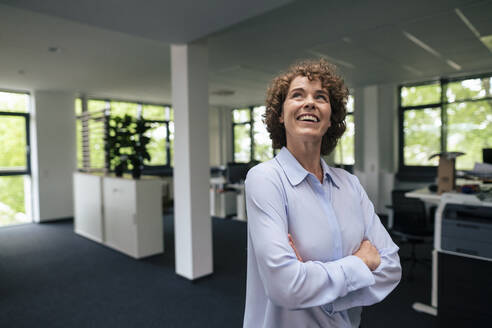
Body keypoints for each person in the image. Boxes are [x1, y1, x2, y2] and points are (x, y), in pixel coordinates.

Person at [243, 59, 401, 328]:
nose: (309, 102)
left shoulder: (349, 184)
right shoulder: (265, 179)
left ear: (330, 118)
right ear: (280, 115)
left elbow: (391, 268)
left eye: (321, 97)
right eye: (297, 95)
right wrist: (360, 263)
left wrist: (315, 284)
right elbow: (284, 287)